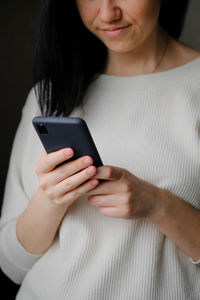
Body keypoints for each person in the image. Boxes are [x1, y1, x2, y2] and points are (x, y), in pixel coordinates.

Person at [0, 0, 200, 299]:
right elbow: (11, 265)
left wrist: (158, 205)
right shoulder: (49, 95)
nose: (107, 14)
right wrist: (51, 200)